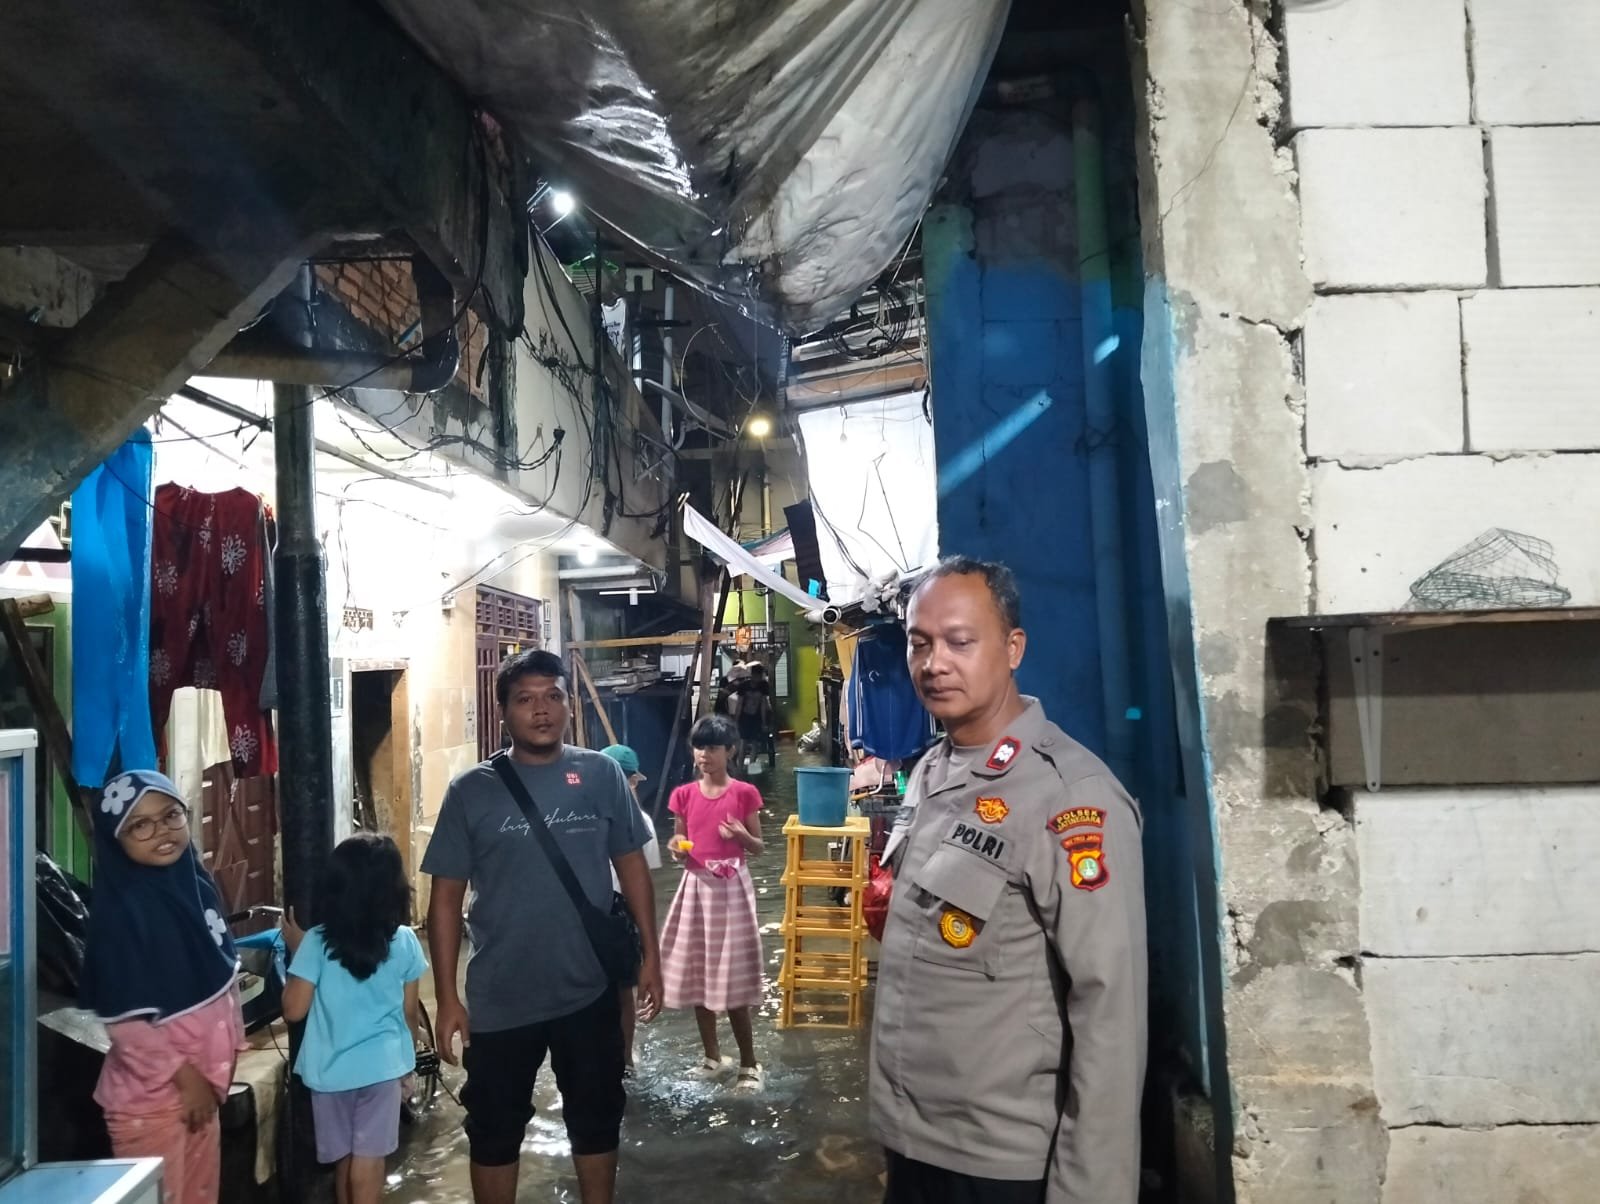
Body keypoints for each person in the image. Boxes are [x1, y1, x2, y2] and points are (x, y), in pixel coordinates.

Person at [869, 556, 1148, 1203]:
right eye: (919, 643)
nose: (934, 664)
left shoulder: (1070, 796)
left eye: (960, 642)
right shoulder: (933, 772)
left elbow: (1111, 1011)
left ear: (1013, 648)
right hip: (913, 1140)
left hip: (1001, 1163)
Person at [422, 649, 662, 1204]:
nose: (542, 710)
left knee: (597, 1116)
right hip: (501, 997)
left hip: (589, 989)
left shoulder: (600, 774)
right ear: (503, 711)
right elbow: (445, 899)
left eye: (553, 696)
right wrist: (447, 997)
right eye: (526, 699)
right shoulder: (470, 791)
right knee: (493, 1127)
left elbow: (632, 867)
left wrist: (651, 956)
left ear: (568, 705)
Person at [80, 770, 244, 1204]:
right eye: (140, 825)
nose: (162, 832)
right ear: (115, 840)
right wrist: (188, 1079)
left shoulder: (197, 887)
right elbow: (127, 1026)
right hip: (151, 1105)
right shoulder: (121, 916)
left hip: (201, 1092)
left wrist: (230, 1050)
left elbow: (223, 977)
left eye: (171, 815)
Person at [280, 834, 428, 1204]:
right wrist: (408, 1063)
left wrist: (299, 954)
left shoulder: (316, 942)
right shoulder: (406, 941)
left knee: (345, 1160)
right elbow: (410, 1013)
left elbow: (293, 1010)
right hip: (382, 1070)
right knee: (369, 1158)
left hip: (330, 1074)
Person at [659, 714, 766, 1091]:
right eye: (699, 747)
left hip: (732, 888)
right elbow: (680, 844)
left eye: (713, 748)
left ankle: (750, 1063)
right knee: (698, 974)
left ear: (730, 751)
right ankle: (712, 1057)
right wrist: (676, 849)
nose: (704, 754)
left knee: (733, 978)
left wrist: (741, 836)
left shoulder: (744, 793)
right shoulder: (683, 795)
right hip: (695, 887)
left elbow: (759, 846)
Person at [599, 743, 663, 1070]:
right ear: (633, 781)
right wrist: (649, 949)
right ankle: (624, 1061)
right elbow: (641, 882)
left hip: (585, 914)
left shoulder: (579, 815)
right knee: (624, 991)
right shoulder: (642, 822)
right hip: (621, 915)